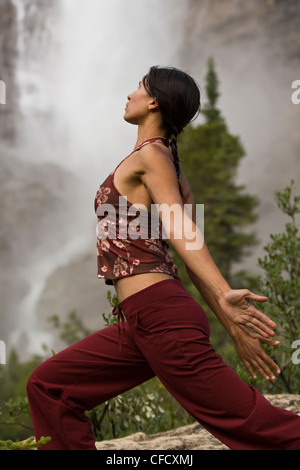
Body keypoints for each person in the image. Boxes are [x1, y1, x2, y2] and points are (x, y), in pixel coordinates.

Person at [27, 66, 300, 450]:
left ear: (153, 101)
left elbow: (183, 232)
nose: (129, 94)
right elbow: (190, 255)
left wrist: (224, 295)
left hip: (160, 316)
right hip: (143, 322)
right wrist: (232, 325)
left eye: (137, 87)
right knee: (49, 386)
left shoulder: (151, 156)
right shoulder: (169, 167)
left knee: (251, 423)